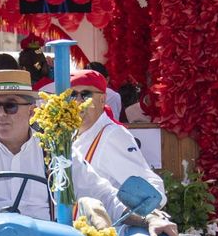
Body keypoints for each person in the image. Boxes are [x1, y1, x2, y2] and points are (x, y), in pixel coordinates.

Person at [0, 71, 175, 236]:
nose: (1, 114)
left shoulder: (55, 152)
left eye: (10, 106)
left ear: (31, 110)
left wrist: (150, 218)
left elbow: (103, 194)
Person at [68, 70, 164, 204]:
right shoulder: (74, 134)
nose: (78, 101)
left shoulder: (112, 136)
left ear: (102, 100)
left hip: (109, 223)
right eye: (72, 95)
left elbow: (151, 189)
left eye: (85, 95)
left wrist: (150, 216)